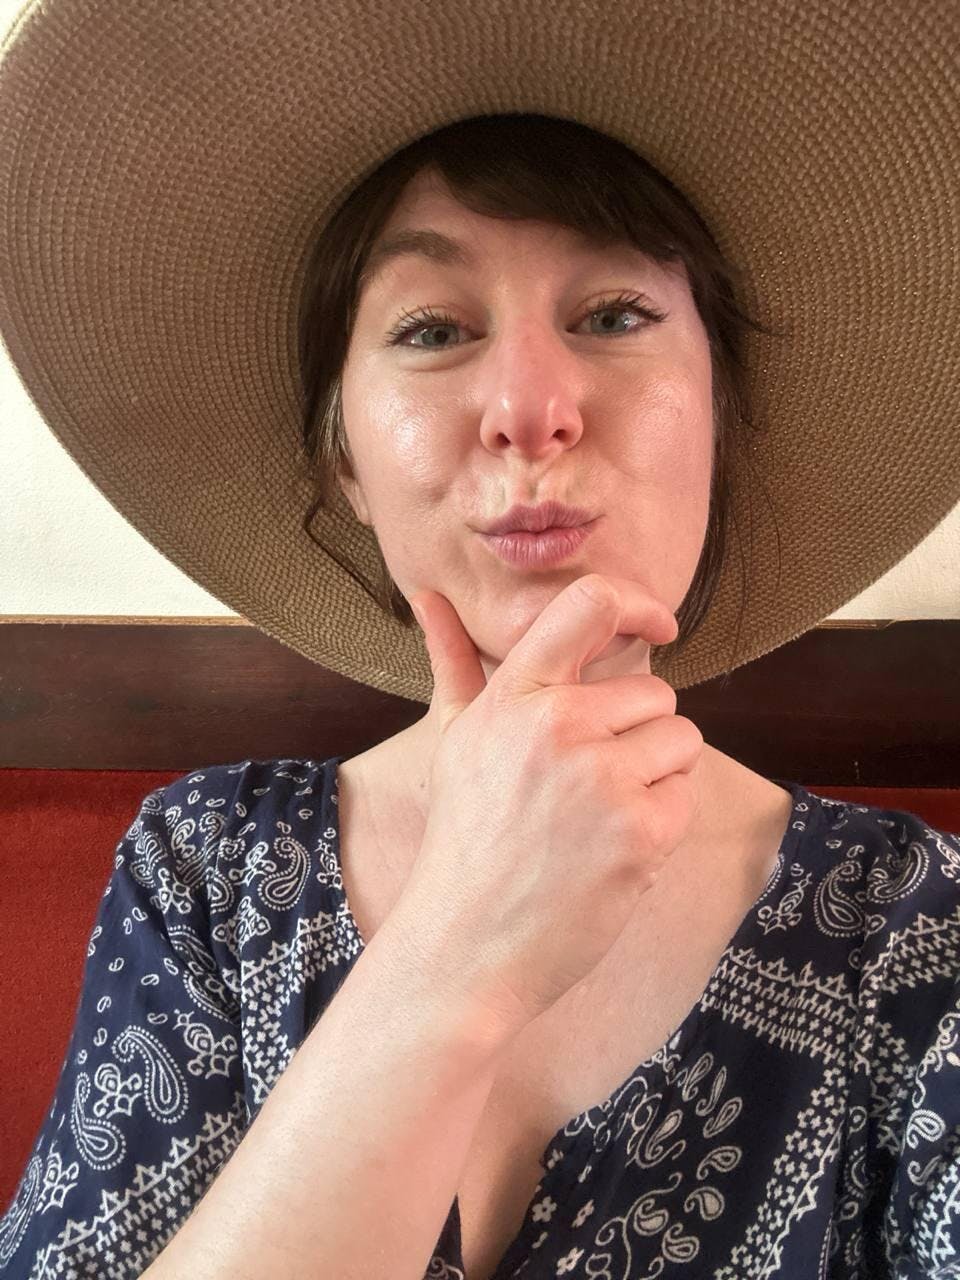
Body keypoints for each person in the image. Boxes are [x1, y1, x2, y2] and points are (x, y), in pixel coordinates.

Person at [0, 2, 959, 1278]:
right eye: (434, 330)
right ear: (345, 462)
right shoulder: (206, 873)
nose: (528, 406)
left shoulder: (910, 925)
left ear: (721, 417)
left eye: (614, 312)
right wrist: (460, 945)